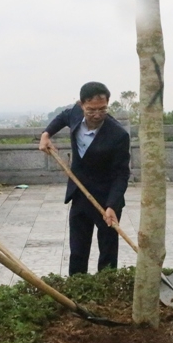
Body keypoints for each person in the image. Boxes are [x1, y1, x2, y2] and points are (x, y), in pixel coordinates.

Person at [39, 82, 130, 275]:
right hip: (80, 194)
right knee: (78, 250)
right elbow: (62, 117)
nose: (97, 115)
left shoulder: (118, 135)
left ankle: (106, 290)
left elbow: (121, 174)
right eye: (91, 110)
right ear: (82, 105)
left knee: (108, 252)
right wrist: (46, 135)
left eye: (102, 109)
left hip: (106, 201)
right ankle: (76, 290)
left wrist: (112, 205)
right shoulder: (75, 113)